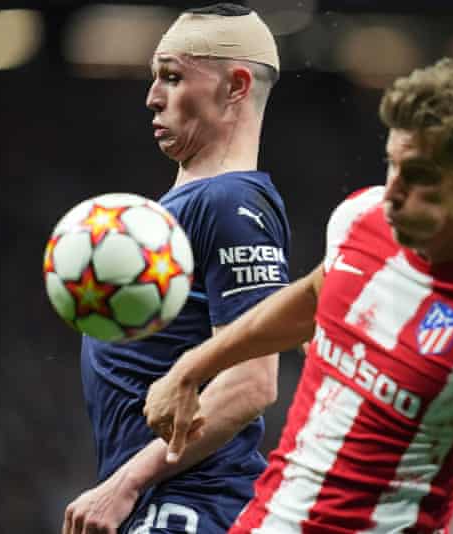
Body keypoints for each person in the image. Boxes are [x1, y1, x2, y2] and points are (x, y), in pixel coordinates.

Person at [144, 58, 453, 533]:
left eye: (419, 175)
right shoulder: (361, 219)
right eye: (393, 163)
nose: (393, 190)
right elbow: (314, 299)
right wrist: (193, 367)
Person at [63, 4, 290, 534]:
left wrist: (126, 483)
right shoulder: (185, 207)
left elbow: (251, 383)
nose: (152, 97)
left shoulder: (232, 202)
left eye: (172, 76)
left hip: (192, 506)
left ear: (235, 86)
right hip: (163, 503)